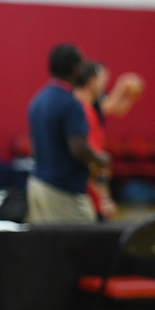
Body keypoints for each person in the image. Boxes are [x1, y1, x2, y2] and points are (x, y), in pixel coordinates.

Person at [26, 44, 110, 224]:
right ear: (75, 67)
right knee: (82, 238)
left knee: (46, 239)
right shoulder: (71, 104)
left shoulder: (38, 100)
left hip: (37, 183)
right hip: (63, 189)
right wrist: (100, 159)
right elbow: (78, 149)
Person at [72, 62, 117, 219]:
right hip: (86, 196)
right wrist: (104, 198)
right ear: (92, 82)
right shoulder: (83, 112)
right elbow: (91, 159)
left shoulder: (83, 109)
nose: (104, 87)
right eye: (103, 81)